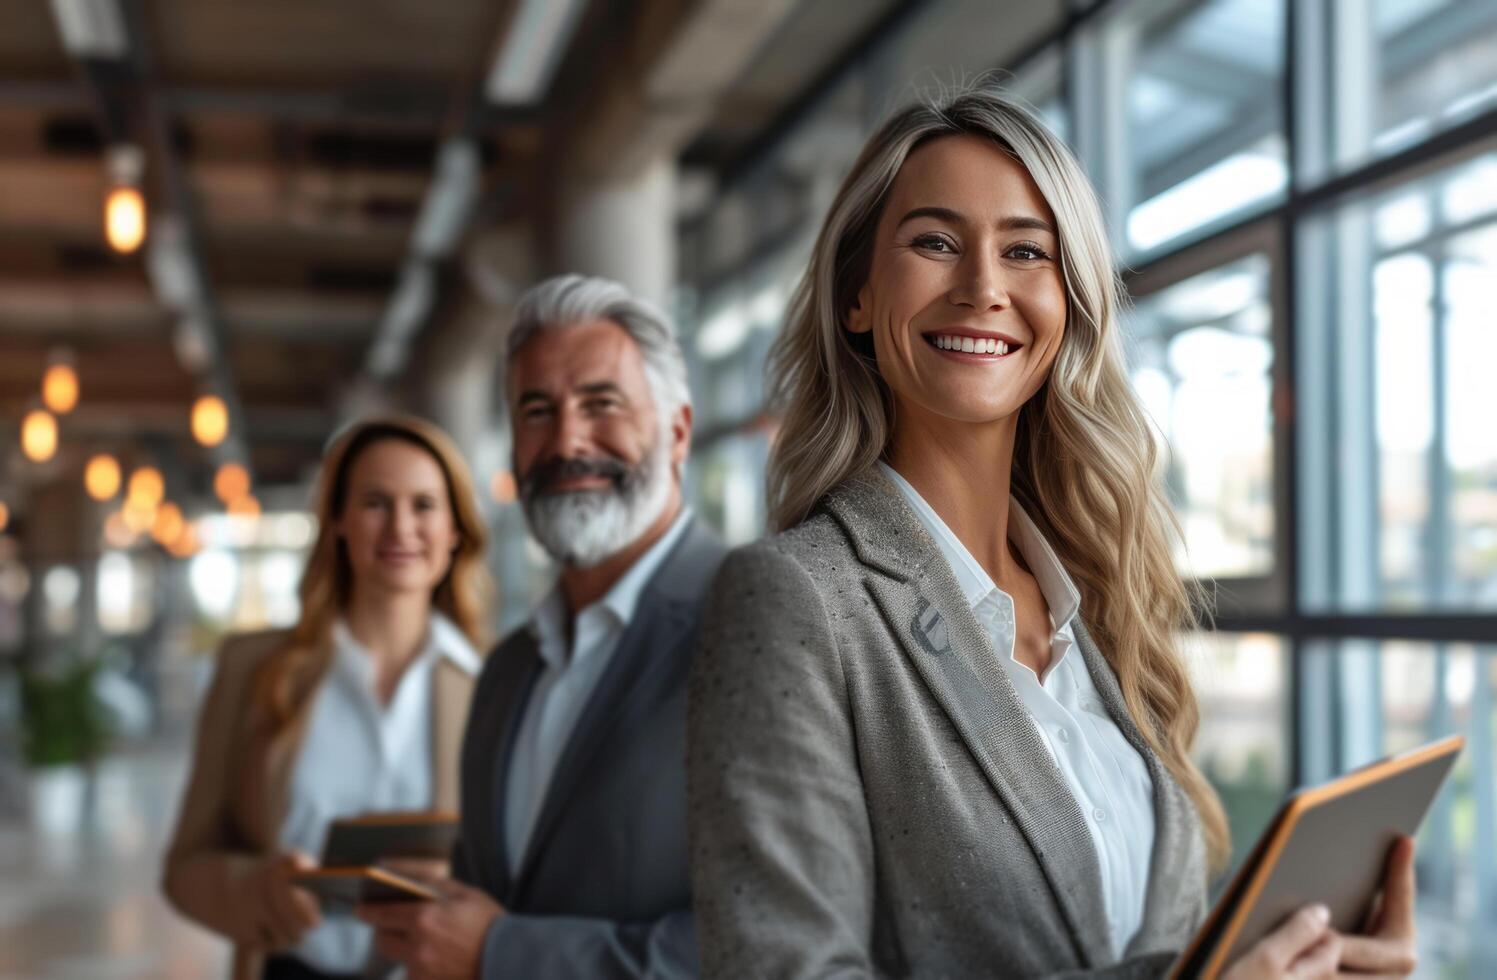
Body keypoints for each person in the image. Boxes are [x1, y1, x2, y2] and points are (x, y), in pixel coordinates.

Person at [686, 86, 1420, 979]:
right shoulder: (796, 599)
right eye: (934, 242)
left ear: (1066, 302)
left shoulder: (1100, 607)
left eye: (1025, 250)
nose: (983, 287)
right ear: (857, 296)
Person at [359, 274, 725, 980]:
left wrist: (501, 954)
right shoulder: (505, 672)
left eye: (601, 403)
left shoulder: (760, 624)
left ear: (677, 431)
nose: (566, 440)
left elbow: (779, 946)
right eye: (536, 411)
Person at [163, 415, 492, 980]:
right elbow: (185, 868)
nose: (401, 528)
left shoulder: (494, 686)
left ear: (456, 530)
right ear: (337, 520)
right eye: (375, 502)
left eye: (424, 505)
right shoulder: (253, 670)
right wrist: (259, 889)